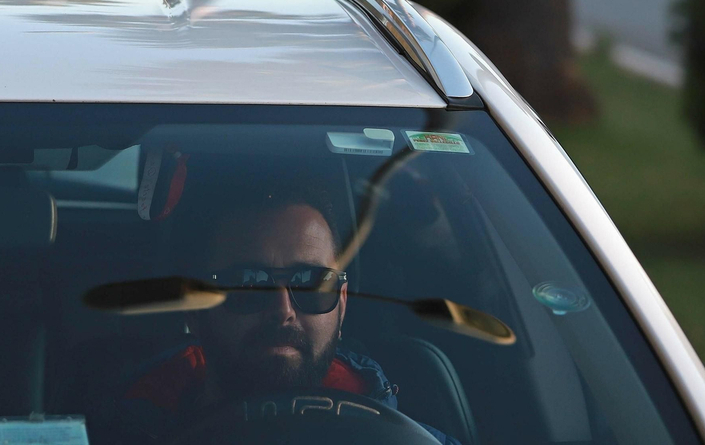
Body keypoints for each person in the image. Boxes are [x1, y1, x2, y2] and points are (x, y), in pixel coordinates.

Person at [111, 178, 464, 445]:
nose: (282, 310)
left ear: (341, 302)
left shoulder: (413, 441)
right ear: (194, 310)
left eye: (310, 283)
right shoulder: (119, 432)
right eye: (248, 284)